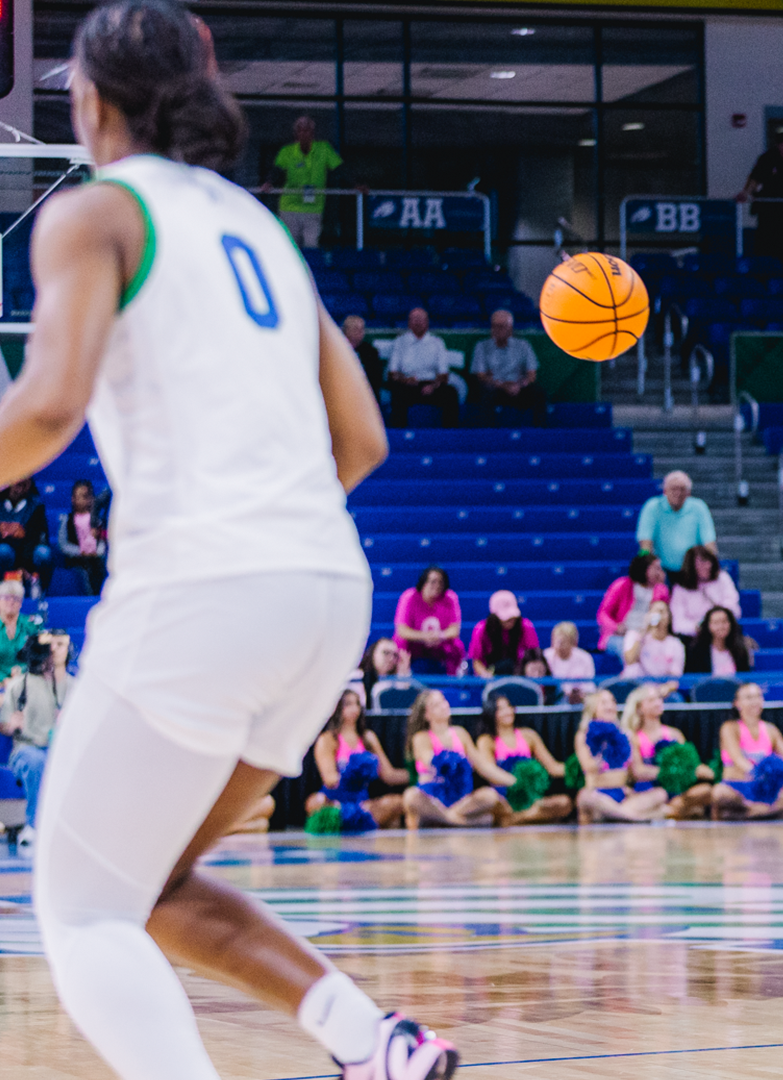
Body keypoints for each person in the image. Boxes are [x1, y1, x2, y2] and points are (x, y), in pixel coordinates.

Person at [2, 6, 458, 1076]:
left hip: (205, 586)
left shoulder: (96, 213)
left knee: (80, 909)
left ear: (89, 100)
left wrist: (227, 542)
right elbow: (363, 437)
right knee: (146, 881)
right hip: (326, 592)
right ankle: (373, 1044)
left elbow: (49, 406)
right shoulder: (260, 228)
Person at [304, 690, 408, 833]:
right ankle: (341, 819)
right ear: (337, 708)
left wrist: (417, 774)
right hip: (335, 801)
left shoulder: (368, 738)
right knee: (315, 802)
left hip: (362, 804)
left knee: (396, 803)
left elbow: (389, 775)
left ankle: (357, 822)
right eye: (348, 704)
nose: (354, 709)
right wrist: (352, 771)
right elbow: (329, 779)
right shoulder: (327, 739)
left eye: (357, 704)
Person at [1, 632, 69, 848]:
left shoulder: (72, 686)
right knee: (37, 762)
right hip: (27, 749)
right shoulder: (18, 686)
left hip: (60, 749)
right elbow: (4, 724)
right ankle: (34, 826)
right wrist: (10, 724)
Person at [402, 690, 506, 829]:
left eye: (443, 701)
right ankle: (464, 822)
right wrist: (452, 763)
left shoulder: (460, 733)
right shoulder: (421, 737)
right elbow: (432, 762)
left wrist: (514, 781)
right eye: (436, 705)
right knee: (411, 796)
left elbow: (484, 767)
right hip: (433, 799)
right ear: (426, 715)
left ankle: (444, 820)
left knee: (490, 795)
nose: (443, 706)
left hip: (461, 801)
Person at [710, 681, 783, 819]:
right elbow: (738, 759)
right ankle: (770, 811)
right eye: (749, 697)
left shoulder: (771, 730)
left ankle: (754, 812)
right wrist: (759, 774)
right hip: (738, 787)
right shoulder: (729, 728)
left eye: (758, 696)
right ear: (737, 703)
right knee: (719, 792)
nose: (755, 701)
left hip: (766, 790)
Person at [472, 693, 573, 826]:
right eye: (500, 709)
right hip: (504, 798)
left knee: (564, 803)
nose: (507, 711)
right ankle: (529, 817)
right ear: (491, 713)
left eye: (509, 706)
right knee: (492, 803)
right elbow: (489, 772)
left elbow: (553, 767)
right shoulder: (486, 741)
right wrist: (517, 782)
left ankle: (515, 819)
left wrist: (577, 769)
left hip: (531, 798)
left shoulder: (529, 736)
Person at [573, 688, 665, 823]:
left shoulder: (626, 735)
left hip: (622, 795)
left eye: (612, 702)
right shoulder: (583, 736)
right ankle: (635, 817)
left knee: (660, 794)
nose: (610, 706)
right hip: (598, 795)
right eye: (604, 703)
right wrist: (601, 746)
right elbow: (589, 767)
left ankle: (619, 814)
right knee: (584, 797)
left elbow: (634, 772)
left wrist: (630, 789)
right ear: (593, 708)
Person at [623, 682, 713, 819]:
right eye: (651, 700)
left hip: (676, 790)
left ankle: (670, 810)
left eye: (659, 699)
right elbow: (638, 771)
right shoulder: (634, 737)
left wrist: (705, 771)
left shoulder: (674, 734)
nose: (657, 703)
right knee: (661, 796)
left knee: (705, 791)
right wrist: (671, 772)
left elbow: (690, 764)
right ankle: (674, 811)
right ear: (639, 708)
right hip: (649, 789)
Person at [260, 114, 343, 248]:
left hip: (313, 208)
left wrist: (356, 185)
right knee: (291, 247)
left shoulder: (324, 149)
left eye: (307, 130)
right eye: (301, 130)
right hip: (290, 207)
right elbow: (276, 170)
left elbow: (340, 169)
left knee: (311, 245)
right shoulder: (287, 151)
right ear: (296, 134)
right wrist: (269, 182)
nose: (304, 134)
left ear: (313, 133)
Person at [467, 309, 545, 427]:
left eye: (502, 326)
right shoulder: (482, 346)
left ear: (510, 328)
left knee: (538, 392)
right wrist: (502, 386)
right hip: (496, 388)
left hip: (518, 387)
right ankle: (488, 433)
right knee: (485, 392)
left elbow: (532, 375)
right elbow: (481, 376)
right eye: (495, 326)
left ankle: (540, 431)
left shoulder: (523, 345)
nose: (498, 330)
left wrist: (519, 385)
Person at [386, 307, 459, 428]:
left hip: (432, 384)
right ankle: (400, 434)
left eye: (421, 319)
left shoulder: (437, 342)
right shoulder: (399, 342)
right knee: (397, 393)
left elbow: (444, 374)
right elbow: (392, 373)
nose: (418, 322)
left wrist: (433, 386)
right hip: (407, 385)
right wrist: (405, 380)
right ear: (409, 322)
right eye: (414, 319)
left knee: (451, 393)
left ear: (427, 322)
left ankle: (450, 433)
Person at [635, 469, 716, 574]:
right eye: (673, 489)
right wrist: (647, 570)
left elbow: (709, 543)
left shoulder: (699, 507)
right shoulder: (652, 507)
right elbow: (645, 544)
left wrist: (712, 567)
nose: (678, 493)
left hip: (692, 571)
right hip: (661, 570)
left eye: (682, 489)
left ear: (688, 493)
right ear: (665, 491)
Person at [394, 565, 464, 674]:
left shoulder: (450, 598)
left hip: (439, 643)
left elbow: (454, 630)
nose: (437, 586)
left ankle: (452, 678)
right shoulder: (409, 597)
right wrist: (424, 637)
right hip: (415, 643)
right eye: (433, 582)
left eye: (441, 582)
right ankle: (400, 675)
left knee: (456, 645)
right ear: (424, 582)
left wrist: (439, 636)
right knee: (400, 642)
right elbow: (402, 630)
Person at [596, 551, 671, 651]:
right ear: (644, 568)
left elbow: (662, 616)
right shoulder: (621, 585)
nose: (659, 572)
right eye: (656, 568)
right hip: (619, 636)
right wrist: (616, 627)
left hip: (646, 636)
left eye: (660, 569)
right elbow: (603, 614)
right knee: (628, 648)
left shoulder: (661, 590)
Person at [668, 545, 740, 638]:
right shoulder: (680, 589)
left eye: (708, 561)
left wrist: (718, 622)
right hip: (694, 636)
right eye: (701, 563)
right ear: (691, 566)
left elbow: (733, 607)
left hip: (723, 631)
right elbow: (677, 623)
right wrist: (700, 627)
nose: (707, 566)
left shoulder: (722, 578)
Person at [467, 589, 538, 679]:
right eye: (507, 618)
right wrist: (485, 675)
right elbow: (477, 661)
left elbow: (534, 657)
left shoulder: (526, 626)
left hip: (520, 676)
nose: (511, 620)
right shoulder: (481, 629)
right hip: (492, 675)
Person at [55, 478, 108, 594]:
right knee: (84, 571)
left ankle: (102, 595)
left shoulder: (98, 521)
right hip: (76, 560)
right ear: (73, 499)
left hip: (95, 558)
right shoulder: (67, 520)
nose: (83, 500)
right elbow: (63, 544)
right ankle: (90, 596)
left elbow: (103, 542)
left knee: (99, 566)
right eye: (79, 496)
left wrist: (96, 552)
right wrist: (80, 551)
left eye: (86, 496)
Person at [0, 477, 53, 584]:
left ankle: (39, 590)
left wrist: (23, 566)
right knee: (3, 551)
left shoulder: (36, 507)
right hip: (6, 552)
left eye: (23, 483)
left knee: (43, 553)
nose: (18, 487)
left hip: (27, 556)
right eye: (16, 483)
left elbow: (34, 539)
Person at [622, 598, 685, 679]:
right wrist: (643, 630)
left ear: (669, 617)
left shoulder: (676, 644)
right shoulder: (637, 637)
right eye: (654, 612)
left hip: (663, 685)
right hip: (641, 684)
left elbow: (675, 677)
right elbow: (630, 661)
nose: (658, 615)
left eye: (661, 612)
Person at [685, 605, 753, 676]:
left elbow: (745, 676)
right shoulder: (697, 652)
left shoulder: (740, 651)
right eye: (716, 623)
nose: (721, 626)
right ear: (708, 626)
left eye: (724, 622)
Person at [542, 620, 597, 703]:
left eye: (562, 642)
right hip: (552, 701)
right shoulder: (545, 657)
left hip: (579, 702)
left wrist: (580, 695)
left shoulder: (585, 658)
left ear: (573, 642)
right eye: (556, 640)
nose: (558, 645)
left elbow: (590, 686)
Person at [0, 579, 45, 674]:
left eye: (16, 598)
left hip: (27, 676)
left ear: (21, 602)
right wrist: (4, 678)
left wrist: (22, 670)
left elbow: (40, 655)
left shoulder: (32, 625)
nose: (11, 602)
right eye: (6, 598)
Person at [358, 636, 409, 702]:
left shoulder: (394, 681)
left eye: (395, 655)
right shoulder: (358, 676)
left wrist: (403, 675)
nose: (391, 658)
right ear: (373, 653)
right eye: (386, 653)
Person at [342, 313, 382, 390]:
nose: (360, 332)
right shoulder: (337, 350)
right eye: (355, 329)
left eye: (362, 329)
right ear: (346, 331)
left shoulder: (371, 352)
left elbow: (376, 379)